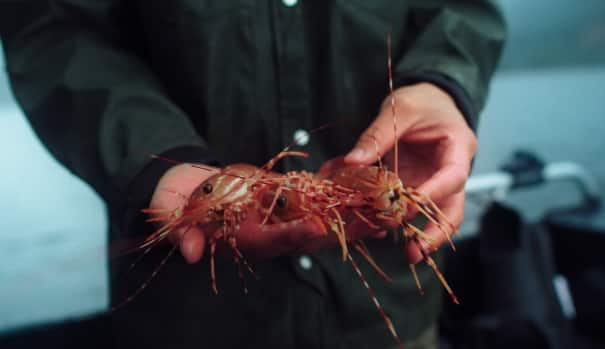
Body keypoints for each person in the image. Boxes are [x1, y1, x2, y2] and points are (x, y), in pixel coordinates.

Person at [3, 1, 505, 348]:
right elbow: (56, 28)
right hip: (190, 322)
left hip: (389, 312)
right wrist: (158, 160)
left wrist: (443, 84)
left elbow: (460, 13)